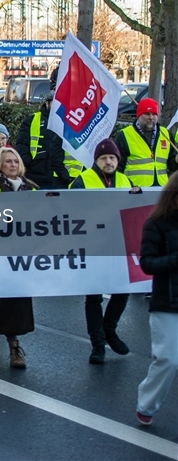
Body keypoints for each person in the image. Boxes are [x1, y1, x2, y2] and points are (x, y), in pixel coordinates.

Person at [70, 138, 140, 364]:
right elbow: (70, 212)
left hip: (118, 245)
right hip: (93, 247)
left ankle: (109, 330)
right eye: (104, 158)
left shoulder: (124, 179)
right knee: (94, 296)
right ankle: (97, 344)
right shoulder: (83, 180)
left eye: (112, 158)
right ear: (96, 161)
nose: (109, 162)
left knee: (123, 290)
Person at [0, 146, 38, 369]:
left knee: (18, 300)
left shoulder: (30, 189)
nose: (12, 165)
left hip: (22, 253)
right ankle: (0, 337)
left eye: (15, 161)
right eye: (7, 161)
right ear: (0, 165)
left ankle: (4, 339)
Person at [135, 173, 178, 426]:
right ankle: (147, 405)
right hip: (168, 302)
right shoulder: (157, 224)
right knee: (168, 360)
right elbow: (147, 264)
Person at [17, 71, 71, 189]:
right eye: (55, 102)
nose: (58, 105)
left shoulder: (70, 122)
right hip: (36, 177)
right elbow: (22, 144)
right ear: (47, 103)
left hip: (61, 179)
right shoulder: (32, 120)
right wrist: (30, 163)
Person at [114, 98, 177, 188]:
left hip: (161, 191)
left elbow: (171, 166)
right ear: (138, 115)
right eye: (147, 114)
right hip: (134, 192)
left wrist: (176, 160)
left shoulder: (165, 134)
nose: (151, 117)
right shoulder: (124, 135)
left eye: (154, 114)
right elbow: (117, 169)